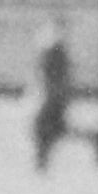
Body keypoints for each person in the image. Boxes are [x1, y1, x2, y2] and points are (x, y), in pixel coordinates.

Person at [29, 18, 71, 171]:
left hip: (49, 91)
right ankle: (42, 156)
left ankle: (43, 155)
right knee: (45, 123)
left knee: (47, 124)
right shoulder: (53, 47)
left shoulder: (51, 46)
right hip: (49, 91)